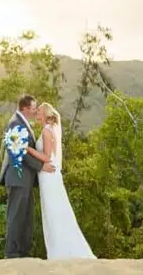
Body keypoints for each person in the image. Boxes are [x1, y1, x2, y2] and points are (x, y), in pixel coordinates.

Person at [24, 102, 96, 259]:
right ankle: (57, 249)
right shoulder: (47, 130)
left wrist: (28, 149)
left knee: (54, 212)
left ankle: (60, 251)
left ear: (44, 114)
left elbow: (47, 157)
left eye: (39, 112)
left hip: (49, 178)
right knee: (52, 211)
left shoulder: (46, 131)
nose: (36, 114)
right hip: (47, 177)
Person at [0, 95, 56, 258]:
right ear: (24, 108)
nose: (35, 111)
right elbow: (18, 151)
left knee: (26, 218)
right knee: (16, 216)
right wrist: (41, 166)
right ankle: (12, 253)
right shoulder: (15, 124)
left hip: (26, 179)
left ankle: (23, 252)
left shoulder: (22, 123)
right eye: (33, 108)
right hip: (18, 178)